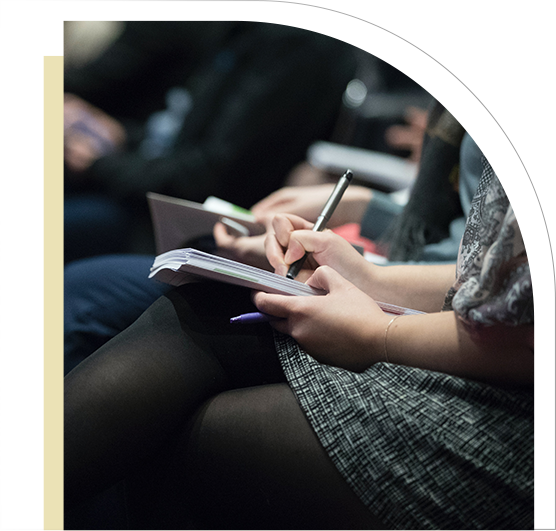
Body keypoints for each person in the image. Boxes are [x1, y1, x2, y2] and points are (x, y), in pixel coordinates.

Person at [64, 20, 536, 530]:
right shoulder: (509, 44)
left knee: (189, 419)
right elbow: (485, 269)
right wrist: (364, 272)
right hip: (439, 301)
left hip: (512, 416)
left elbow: (521, 321)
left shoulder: (303, 33)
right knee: (189, 306)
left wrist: (379, 331)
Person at [63, 19, 502, 375]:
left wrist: (373, 298)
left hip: (415, 308)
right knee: (98, 290)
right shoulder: (490, 66)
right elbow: (457, 238)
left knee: (106, 300)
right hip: (404, 279)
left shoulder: (300, 35)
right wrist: (360, 208)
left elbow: (500, 298)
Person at [63, 19, 357, 262]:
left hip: (194, 234)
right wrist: (124, 137)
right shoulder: (252, 26)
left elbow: (210, 176)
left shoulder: (298, 36)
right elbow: (185, 133)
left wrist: (101, 165)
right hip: (155, 195)